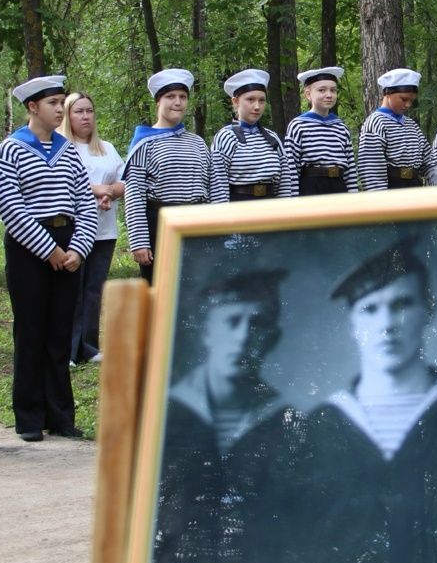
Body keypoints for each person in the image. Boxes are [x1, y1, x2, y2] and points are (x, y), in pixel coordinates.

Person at [302, 238, 437, 563]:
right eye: (369, 309)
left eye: (402, 304)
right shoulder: (321, 424)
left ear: (428, 310)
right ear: (352, 324)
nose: (387, 323)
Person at [152, 268, 309, 563]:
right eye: (231, 321)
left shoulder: (285, 420)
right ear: (207, 331)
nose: (243, 336)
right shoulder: (168, 411)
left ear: (272, 337)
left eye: (257, 324)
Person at [0, 75, 98, 442]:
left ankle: (61, 415)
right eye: (54, 103)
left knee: (59, 333)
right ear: (32, 107)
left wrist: (77, 249)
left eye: (60, 102)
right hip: (29, 248)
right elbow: (11, 207)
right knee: (31, 330)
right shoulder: (11, 149)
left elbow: (85, 202)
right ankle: (29, 415)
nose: (60, 110)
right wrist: (48, 250)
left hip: (68, 242)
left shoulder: (67, 150)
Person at [124, 69, 228, 283]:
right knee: (161, 292)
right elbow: (134, 195)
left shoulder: (198, 142)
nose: (178, 102)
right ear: (158, 102)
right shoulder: (145, 144)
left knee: (198, 291)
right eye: (170, 97)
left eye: (182, 97)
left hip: (198, 226)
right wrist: (139, 241)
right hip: (160, 226)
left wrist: (220, 229)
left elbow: (214, 188)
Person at [58, 92, 124, 365]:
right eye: (79, 111)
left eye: (89, 111)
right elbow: (61, 184)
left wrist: (108, 191)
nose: (85, 116)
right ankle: (68, 349)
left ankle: (89, 347)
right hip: (73, 231)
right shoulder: (61, 147)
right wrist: (96, 190)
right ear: (67, 115)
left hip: (104, 230)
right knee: (71, 289)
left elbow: (124, 180)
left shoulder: (106, 148)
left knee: (94, 290)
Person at [356, 68, 437, 191]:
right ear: (387, 93)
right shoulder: (376, 123)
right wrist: (378, 200)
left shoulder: (412, 126)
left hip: (414, 188)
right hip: (390, 189)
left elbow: (428, 160)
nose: (408, 105)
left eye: (411, 101)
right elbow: (371, 169)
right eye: (404, 99)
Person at [210, 69, 294, 201]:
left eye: (261, 100)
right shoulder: (226, 137)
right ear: (235, 101)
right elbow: (218, 185)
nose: (257, 106)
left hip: (272, 209)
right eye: (250, 99)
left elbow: (285, 183)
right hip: (239, 210)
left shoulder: (273, 138)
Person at [284, 67, 357, 195]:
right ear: (308, 94)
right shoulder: (298, 125)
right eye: (322, 90)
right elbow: (291, 167)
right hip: (311, 187)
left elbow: (350, 168)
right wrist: (293, 201)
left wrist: (353, 196)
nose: (329, 95)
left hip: (338, 186)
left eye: (333, 90)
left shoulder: (341, 127)